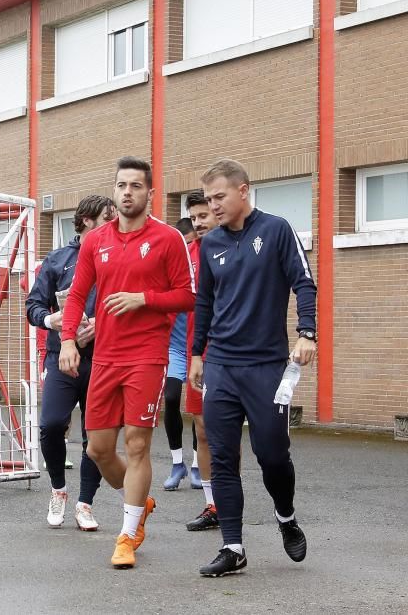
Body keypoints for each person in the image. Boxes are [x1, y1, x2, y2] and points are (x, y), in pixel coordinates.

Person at [58, 156, 194, 570]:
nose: (128, 192)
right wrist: (67, 339)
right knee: (98, 449)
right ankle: (140, 502)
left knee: (136, 444)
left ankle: (127, 532)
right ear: (114, 191)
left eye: (136, 185)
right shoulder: (95, 241)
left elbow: (189, 296)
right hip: (105, 358)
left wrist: (145, 299)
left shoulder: (169, 239)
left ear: (150, 193)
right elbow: (77, 294)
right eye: (122, 185)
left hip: (147, 357)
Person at [190, 159, 317, 577]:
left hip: (266, 367)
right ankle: (233, 547)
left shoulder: (276, 229)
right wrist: (196, 354)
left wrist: (307, 333)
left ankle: (285, 516)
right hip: (221, 366)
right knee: (223, 457)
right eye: (208, 199)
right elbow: (204, 302)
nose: (213, 206)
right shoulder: (210, 244)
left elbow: (304, 281)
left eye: (219, 197)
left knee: (272, 456)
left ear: (244, 191)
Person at [25, 195, 115, 531]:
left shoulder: (115, 257)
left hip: (103, 358)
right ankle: (59, 490)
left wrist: (102, 325)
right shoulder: (58, 259)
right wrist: (53, 321)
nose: (116, 224)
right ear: (88, 220)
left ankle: (85, 504)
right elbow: (33, 306)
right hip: (60, 357)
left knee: (96, 435)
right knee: (50, 424)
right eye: (110, 218)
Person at [182, 189, 221, 532]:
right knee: (202, 431)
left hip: (231, 354)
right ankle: (214, 505)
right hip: (198, 353)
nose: (198, 223)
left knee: (225, 433)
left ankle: (229, 497)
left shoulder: (234, 246)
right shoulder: (188, 253)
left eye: (203, 215)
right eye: (193, 218)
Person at [162, 218, 194, 490]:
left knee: (199, 408)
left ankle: (196, 465)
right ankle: (177, 463)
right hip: (174, 347)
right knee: (171, 397)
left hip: (198, 346)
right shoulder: (169, 267)